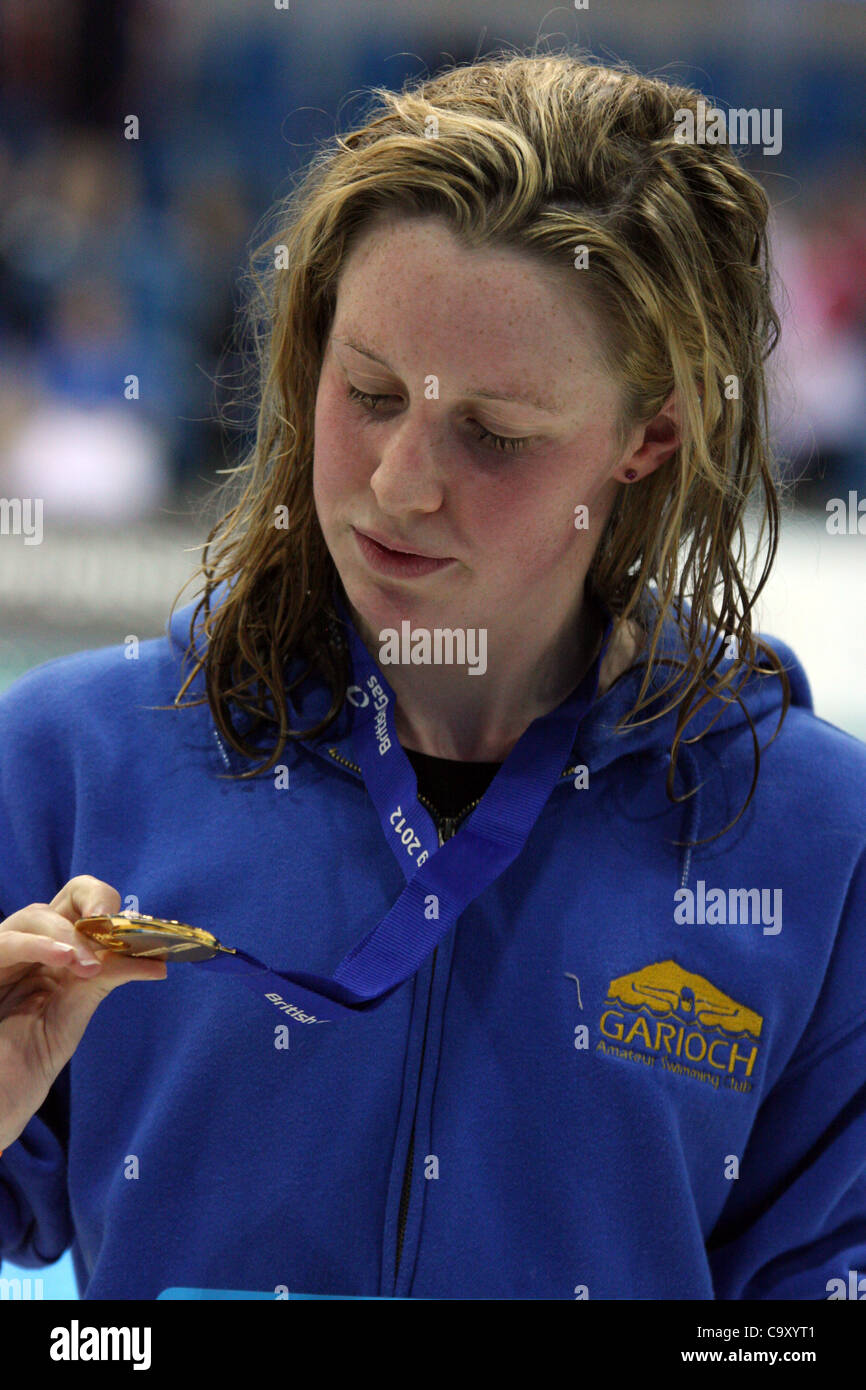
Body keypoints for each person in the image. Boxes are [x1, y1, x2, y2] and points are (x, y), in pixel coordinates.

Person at [1, 51, 865, 1302]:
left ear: (650, 436)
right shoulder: (68, 761)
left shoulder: (814, 844)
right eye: (367, 393)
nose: (399, 484)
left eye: (494, 434)